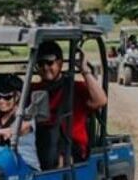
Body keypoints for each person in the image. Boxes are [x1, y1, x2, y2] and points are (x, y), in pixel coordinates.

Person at [32, 40, 108, 168]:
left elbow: (100, 101)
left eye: (50, 63)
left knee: (59, 159)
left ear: (60, 63)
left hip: (71, 146)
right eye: (41, 63)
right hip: (40, 143)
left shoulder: (74, 87)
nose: (45, 67)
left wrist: (84, 70)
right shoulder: (34, 89)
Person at [0, 74, 41, 172]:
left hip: (26, 166)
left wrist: (10, 131)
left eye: (7, 97)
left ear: (18, 96)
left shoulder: (26, 114)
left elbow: (24, 128)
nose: (1, 101)